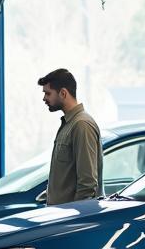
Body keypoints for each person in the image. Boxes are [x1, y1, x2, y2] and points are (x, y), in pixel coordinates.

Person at [38, 68, 103, 204]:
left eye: (48, 93)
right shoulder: (69, 124)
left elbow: (88, 184)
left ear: (63, 93)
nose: (44, 98)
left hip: (70, 220)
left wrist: (75, 220)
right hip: (59, 216)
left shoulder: (81, 125)